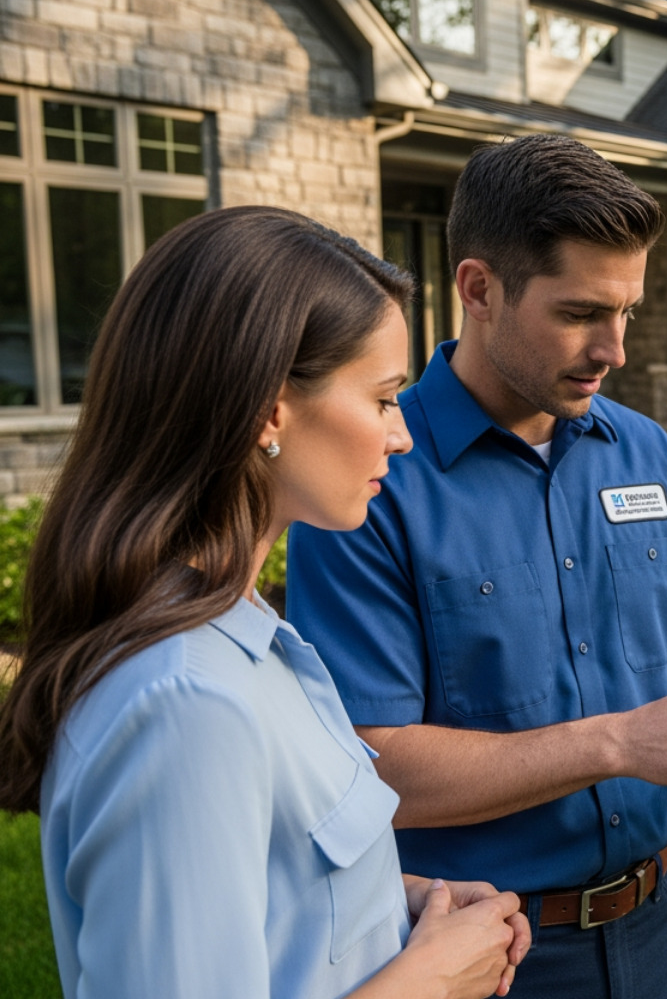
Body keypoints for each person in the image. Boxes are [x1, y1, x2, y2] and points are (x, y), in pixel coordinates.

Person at [284, 134, 667, 997]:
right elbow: (372, 769)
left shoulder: (644, 450)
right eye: (580, 314)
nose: (616, 348)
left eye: (626, 311)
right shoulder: (367, 476)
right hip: (487, 951)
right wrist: (622, 741)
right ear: (479, 290)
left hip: (660, 916)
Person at [0, 206, 534, 999]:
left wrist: (399, 903)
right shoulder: (184, 703)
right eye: (385, 399)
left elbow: (273, 886)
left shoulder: (241, 638)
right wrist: (432, 979)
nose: (403, 437)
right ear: (269, 409)